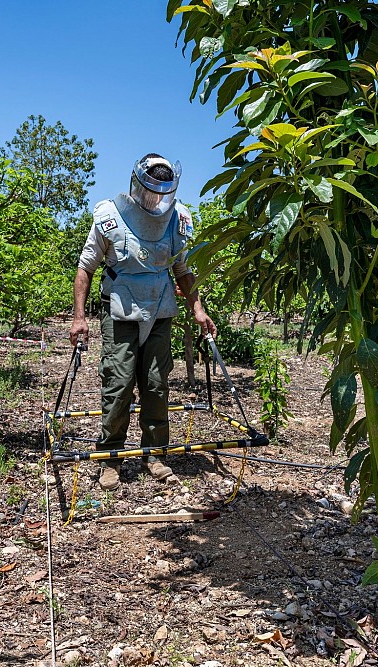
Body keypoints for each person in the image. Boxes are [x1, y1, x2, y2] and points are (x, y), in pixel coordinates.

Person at [70, 154, 217, 490]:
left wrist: (198, 309)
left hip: (160, 310)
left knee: (156, 384)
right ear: (136, 184)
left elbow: (182, 269)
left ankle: (155, 455)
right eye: (150, 191)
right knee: (118, 384)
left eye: (161, 194)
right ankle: (109, 457)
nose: (154, 199)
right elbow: (86, 267)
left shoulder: (177, 220)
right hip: (120, 311)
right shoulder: (110, 216)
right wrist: (79, 317)